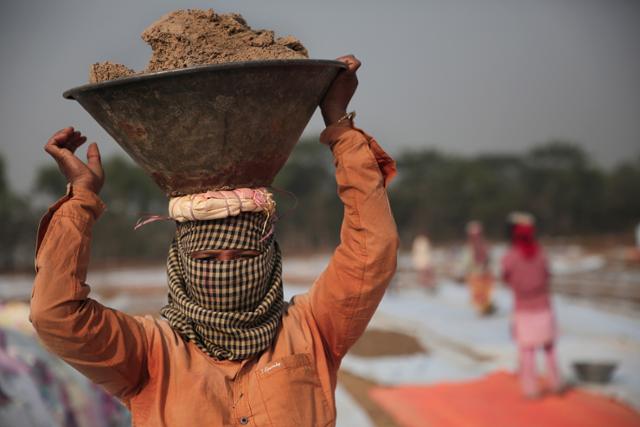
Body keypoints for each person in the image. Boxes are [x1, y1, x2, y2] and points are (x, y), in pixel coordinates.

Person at [30, 55, 399, 426]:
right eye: (207, 257)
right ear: (182, 262)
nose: (227, 266)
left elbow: (372, 250)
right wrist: (81, 199)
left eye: (244, 254)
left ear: (268, 256)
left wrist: (339, 124)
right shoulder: (149, 353)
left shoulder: (312, 330)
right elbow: (54, 314)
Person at [502, 214, 561, 398]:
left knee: (527, 351)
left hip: (524, 309)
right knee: (549, 348)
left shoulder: (510, 256)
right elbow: (547, 275)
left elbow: (506, 277)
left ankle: (531, 388)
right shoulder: (541, 253)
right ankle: (555, 382)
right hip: (543, 306)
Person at [460, 221, 494, 315]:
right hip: (482, 272)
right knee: (482, 292)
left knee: (480, 292)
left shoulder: (472, 246)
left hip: (477, 273)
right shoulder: (484, 244)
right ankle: (484, 307)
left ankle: (483, 307)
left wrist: (463, 270)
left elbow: (466, 260)